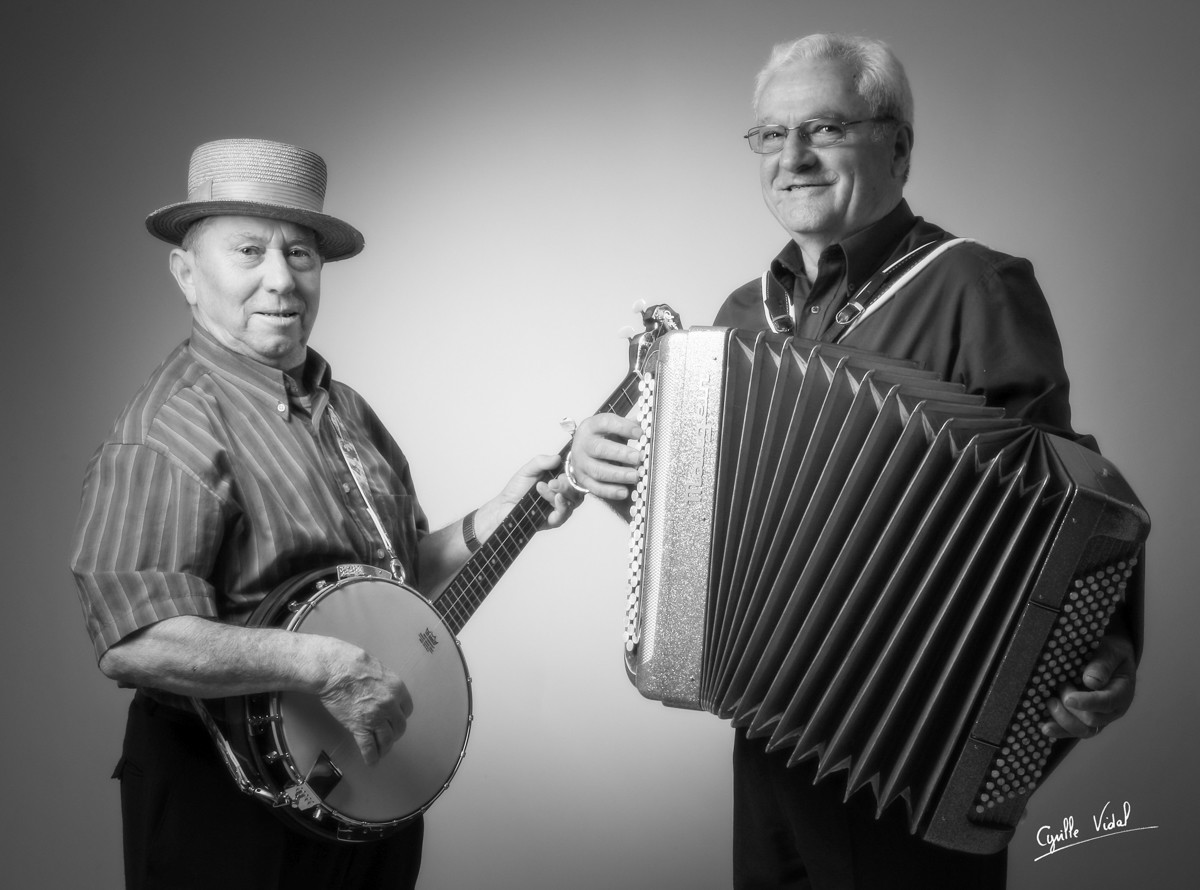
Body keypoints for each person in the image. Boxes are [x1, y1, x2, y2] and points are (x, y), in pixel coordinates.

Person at [566, 34, 1140, 889]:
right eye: (770, 134)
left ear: (897, 146)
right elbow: (709, 529)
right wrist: (616, 472)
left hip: (920, 752)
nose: (792, 157)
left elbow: (1058, 503)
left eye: (825, 128)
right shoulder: (737, 321)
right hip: (768, 736)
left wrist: (1106, 643)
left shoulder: (974, 285)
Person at [69, 137, 581, 890]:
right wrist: (318, 664)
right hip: (225, 811)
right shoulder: (167, 432)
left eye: (300, 254)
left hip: (362, 789)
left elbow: (394, 580)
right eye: (249, 250)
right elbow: (135, 641)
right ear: (186, 273)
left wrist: (499, 516)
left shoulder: (346, 410)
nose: (281, 279)